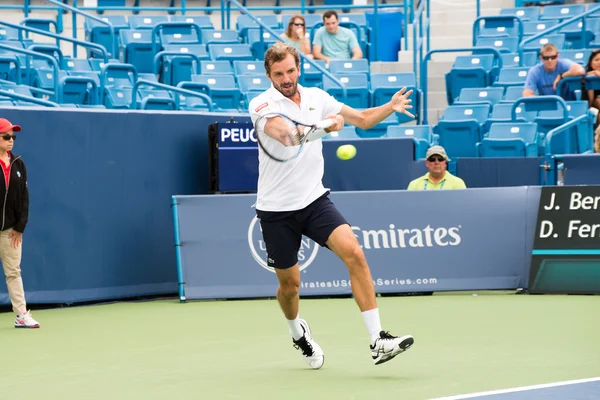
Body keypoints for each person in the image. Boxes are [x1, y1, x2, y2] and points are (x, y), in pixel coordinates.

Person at [249, 44, 414, 369]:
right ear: (269, 75)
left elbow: (364, 120)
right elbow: (288, 137)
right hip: (275, 210)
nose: (286, 78)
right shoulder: (262, 104)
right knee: (290, 286)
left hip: (314, 200)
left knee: (354, 252)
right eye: (278, 74)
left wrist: (390, 107)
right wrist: (326, 126)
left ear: (299, 68)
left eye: (290, 71)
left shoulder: (317, 98)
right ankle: (298, 333)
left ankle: (377, 339)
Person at [0, 118, 39, 329]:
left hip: (10, 232)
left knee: (14, 273)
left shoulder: (19, 164)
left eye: (13, 137)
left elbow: (24, 197)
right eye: (6, 136)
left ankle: (21, 315)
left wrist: (19, 226)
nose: (11, 140)